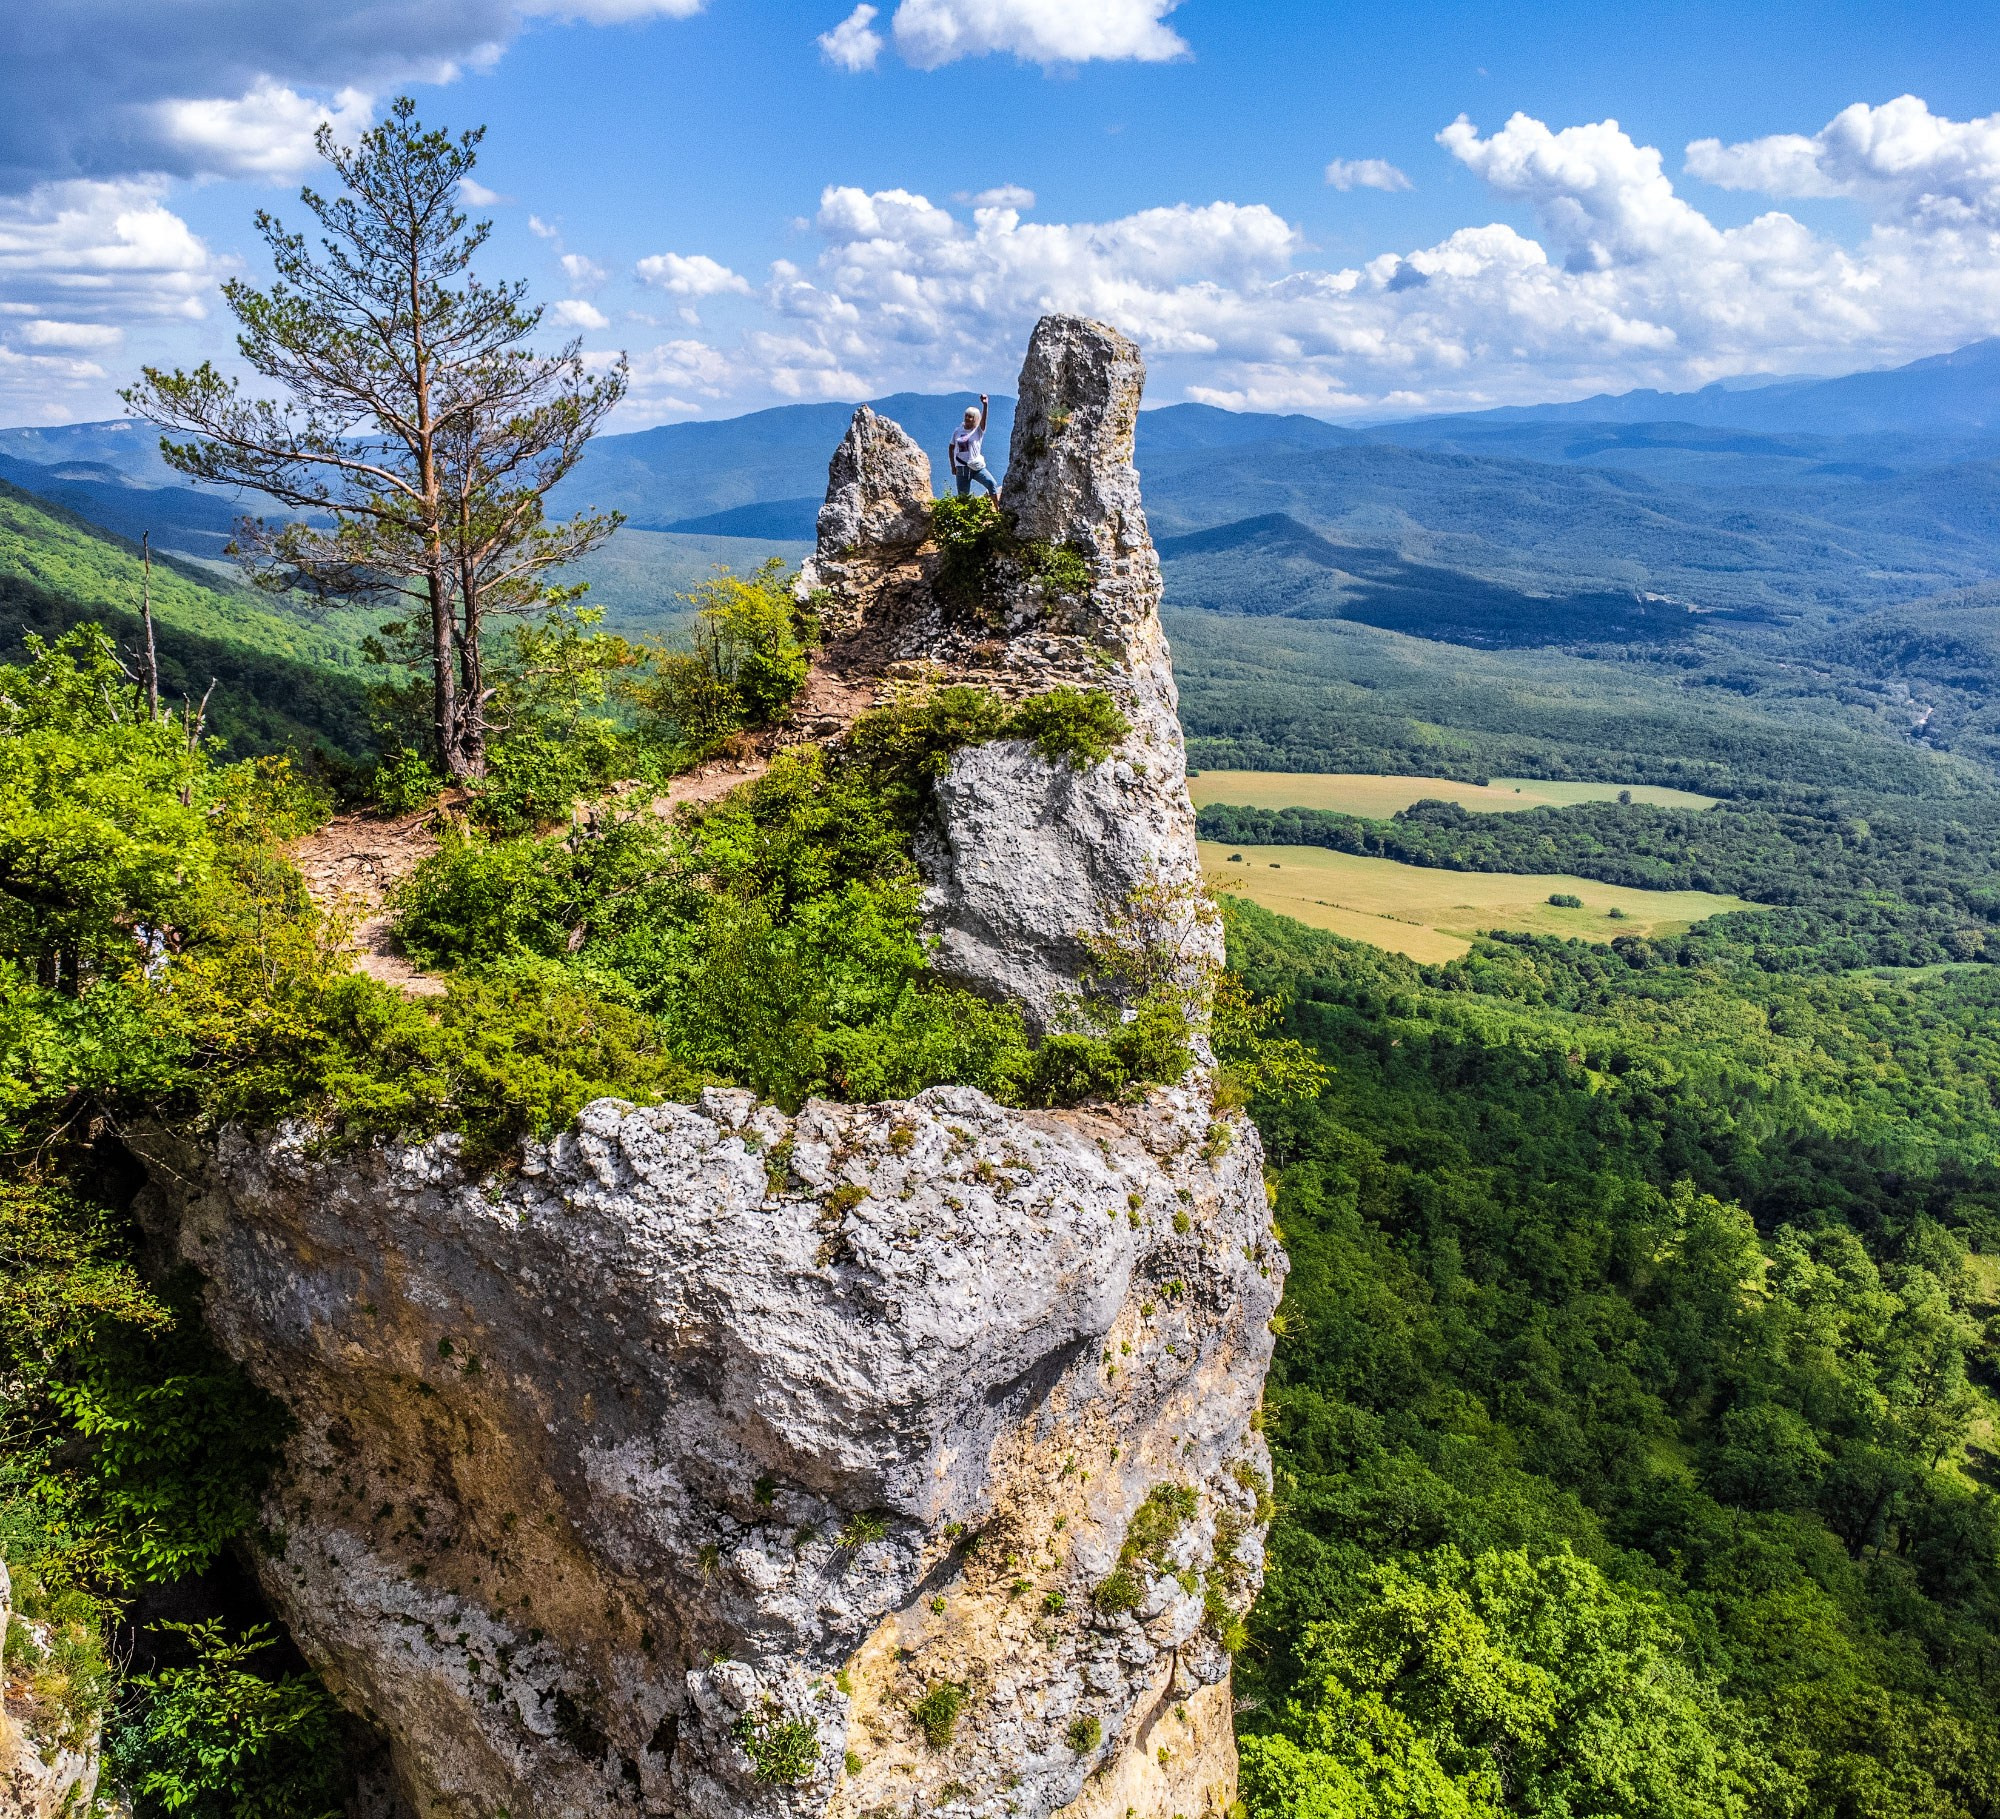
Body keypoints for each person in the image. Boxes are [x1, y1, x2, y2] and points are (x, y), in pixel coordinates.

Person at [948, 396, 1000, 500]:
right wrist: (953, 466)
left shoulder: (978, 431)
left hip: (976, 467)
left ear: (975, 419)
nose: (967, 418)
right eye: (966, 416)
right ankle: (965, 511)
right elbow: (951, 448)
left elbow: (984, 420)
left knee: (991, 483)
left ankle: (998, 508)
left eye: (970, 417)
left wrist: (985, 405)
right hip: (961, 468)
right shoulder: (957, 431)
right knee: (963, 497)